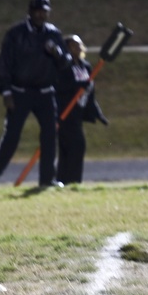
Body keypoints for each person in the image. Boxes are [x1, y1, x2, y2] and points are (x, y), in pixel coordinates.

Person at [0, 0, 73, 195]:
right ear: (30, 12)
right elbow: (4, 64)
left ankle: (47, 179)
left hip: (45, 93)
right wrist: (6, 91)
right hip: (20, 92)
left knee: (49, 136)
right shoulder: (16, 34)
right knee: (11, 137)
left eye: (45, 11)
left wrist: (57, 52)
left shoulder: (53, 33)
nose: (41, 15)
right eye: (38, 11)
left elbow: (66, 63)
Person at [55, 34, 108, 185]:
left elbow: (90, 92)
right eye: (74, 45)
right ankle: (69, 181)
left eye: (79, 44)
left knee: (74, 149)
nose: (78, 47)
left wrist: (97, 112)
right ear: (67, 48)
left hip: (78, 114)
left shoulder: (85, 66)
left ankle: (68, 181)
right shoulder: (63, 66)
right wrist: (77, 86)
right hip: (64, 114)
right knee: (75, 147)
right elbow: (59, 86)